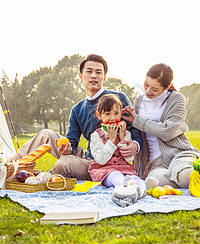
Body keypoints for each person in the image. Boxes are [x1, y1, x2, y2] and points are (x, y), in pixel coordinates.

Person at [12, 54, 142, 180]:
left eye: (98, 72)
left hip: (102, 162)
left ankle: (41, 177)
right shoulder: (77, 109)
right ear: (81, 76)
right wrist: (66, 148)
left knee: (63, 164)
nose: (93, 76)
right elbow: (72, 140)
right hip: (89, 155)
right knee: (46, 134)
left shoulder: (118, 99)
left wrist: (135, 145)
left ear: (104, 77)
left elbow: (134, 128)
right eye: (89, 71)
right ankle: (10, 166)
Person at [122, 63, 200, 188]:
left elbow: (168, 132)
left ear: (167, 86)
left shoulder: (177, 99)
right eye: (146, 85)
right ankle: (186, 180)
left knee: (184, 175)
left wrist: (138, 121)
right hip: (157, 162)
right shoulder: (139, 101)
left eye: (154, 89)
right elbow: (137, 131)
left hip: (178, 153)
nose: (148, 91)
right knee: (152, 183)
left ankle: (185, 176)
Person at [88, 93, 148, 190]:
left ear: (121, 113)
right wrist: (111, 140)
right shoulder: (96, 136)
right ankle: (124, 185)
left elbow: (129, 159)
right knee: (115, 175)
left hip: (125, 169)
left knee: (134, 177)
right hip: (104, 171)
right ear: (99, 115)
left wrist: (122, 138)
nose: (112, 118)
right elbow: (101, 160)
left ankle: (143, 186)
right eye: (107, 114)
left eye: (116, 113)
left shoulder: (126, 133)